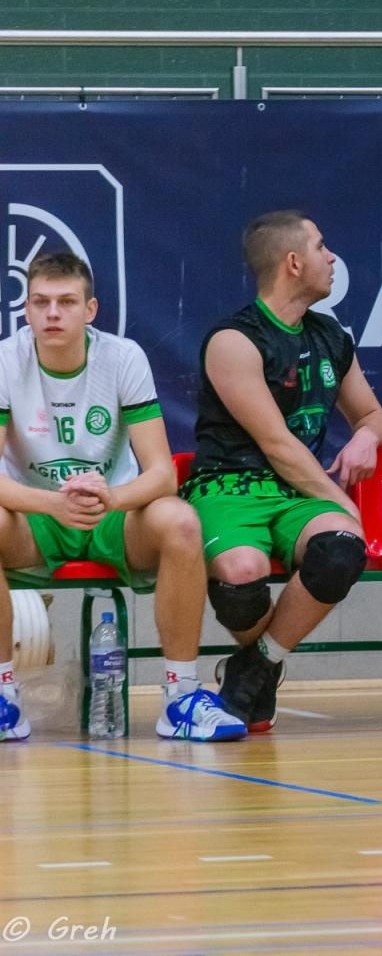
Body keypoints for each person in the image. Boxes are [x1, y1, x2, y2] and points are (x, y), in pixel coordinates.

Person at [0, 252, 245, 742]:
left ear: (90, 310)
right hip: (37, 515)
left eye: (67, 302)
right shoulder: (6, 359)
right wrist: (54, 504)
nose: (52, 313)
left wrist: (110, 498)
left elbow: (161, 474)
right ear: (25, 309)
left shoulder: (123, 357)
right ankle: (4, 697)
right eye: (41, 302)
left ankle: (181, 698)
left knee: (180, 521)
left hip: (114, 513)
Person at [185, 211, 382, 734]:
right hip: (229, 486)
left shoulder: (330, 337)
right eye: (322, 247)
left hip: (295, 494)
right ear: (294, 263)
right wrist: (340, 500)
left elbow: (372, 415)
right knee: (241, 574)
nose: (332, 257)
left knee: (341, 549)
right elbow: (276, 442)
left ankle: (255, 667)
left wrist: (366, 437)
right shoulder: (234, 340)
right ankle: (263, 665)